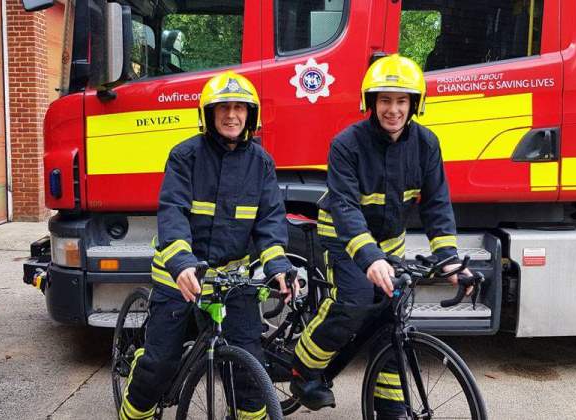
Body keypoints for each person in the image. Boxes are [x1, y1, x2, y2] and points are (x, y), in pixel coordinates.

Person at [289, 54, 472, 418]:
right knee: (354, 301)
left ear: (414, 104)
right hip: (342, 237)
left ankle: (388, 407)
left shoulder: (426, 143)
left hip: (390, 242)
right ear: (371, 102)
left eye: (401, 100)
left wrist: (450, 259)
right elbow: (344, 207)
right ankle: (303, 368)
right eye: (385, 100)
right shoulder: (347, 144)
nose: (393, 109)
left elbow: (436, 204)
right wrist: (369, 258)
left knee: (393, 317)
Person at [119, 70, 296, 420]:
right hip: (180, 277)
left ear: (251, 115)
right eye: (223, 107)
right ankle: (133, 412)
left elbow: (270, 221)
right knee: (159, 362)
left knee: (248, 371)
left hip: (233, 282)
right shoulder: (185, 155)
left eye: (240, 108)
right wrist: (182, 262)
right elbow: (173, 212)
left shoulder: (261, 163)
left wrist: (279, 266)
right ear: (208, 114)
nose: (232, 115)